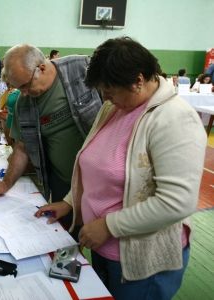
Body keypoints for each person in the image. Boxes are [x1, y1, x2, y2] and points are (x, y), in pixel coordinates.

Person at [35, 37, 207, 299]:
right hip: (103, 246)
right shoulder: (114, 107)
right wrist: (70, 202)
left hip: (142, 260)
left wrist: (109, 226)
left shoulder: (174, 118)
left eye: (110, 90)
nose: (105, 97)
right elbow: (94, 166)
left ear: (138, 80)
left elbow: (177, 203)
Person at [0, 44, 102, 206]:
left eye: (25, 85)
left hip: (100, 184)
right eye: (18, 88)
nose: (23, 93)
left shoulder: (83, 70)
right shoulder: (23, 103)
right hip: (63, 185)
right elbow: (22, 148)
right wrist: (5, 183)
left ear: (42, 68)